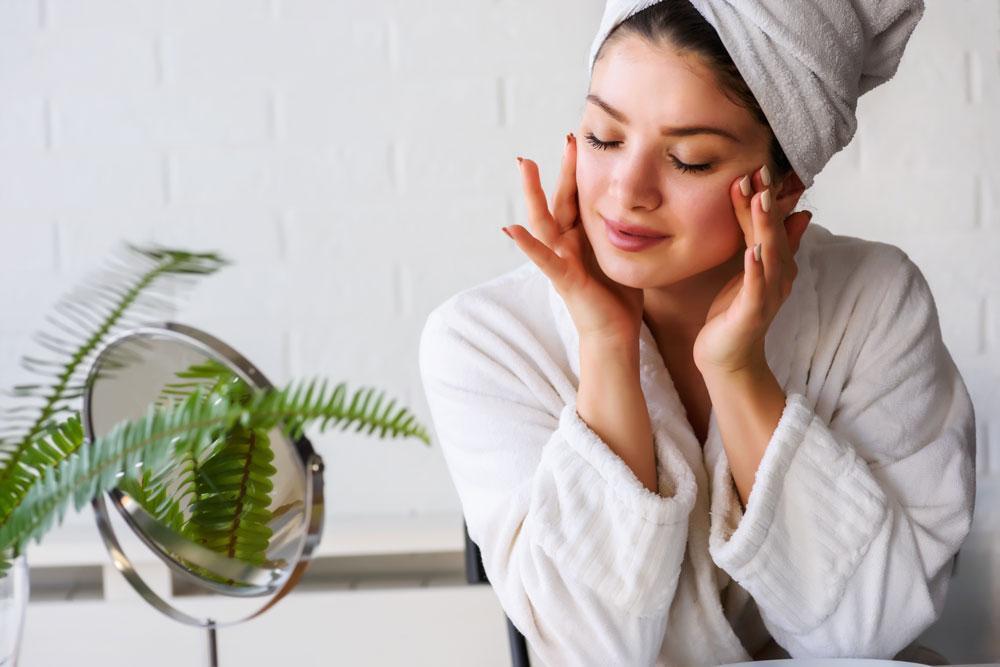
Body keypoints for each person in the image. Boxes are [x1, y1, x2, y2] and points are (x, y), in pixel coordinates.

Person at [418, 1, 976, 664]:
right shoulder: (485, 341)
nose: (627, 191)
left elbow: (866, 635)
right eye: (603, 138)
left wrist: (739, 372)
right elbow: (588, 649)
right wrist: (606, 346)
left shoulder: (875, 303)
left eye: (689, 160)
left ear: (784, 185)